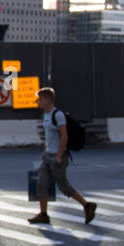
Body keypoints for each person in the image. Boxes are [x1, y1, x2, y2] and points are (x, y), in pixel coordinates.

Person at [28, 87, 96, 225]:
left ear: (47, 100)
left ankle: (87, 205)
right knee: (41, 184)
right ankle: (43, 214)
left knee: (63, 186)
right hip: (48, 155)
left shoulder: (57, 115)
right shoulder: (46, 115)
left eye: (40, 99)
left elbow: (64, 136)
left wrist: (59, 155)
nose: (38, 102)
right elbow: (50, 137)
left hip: (58, 156)